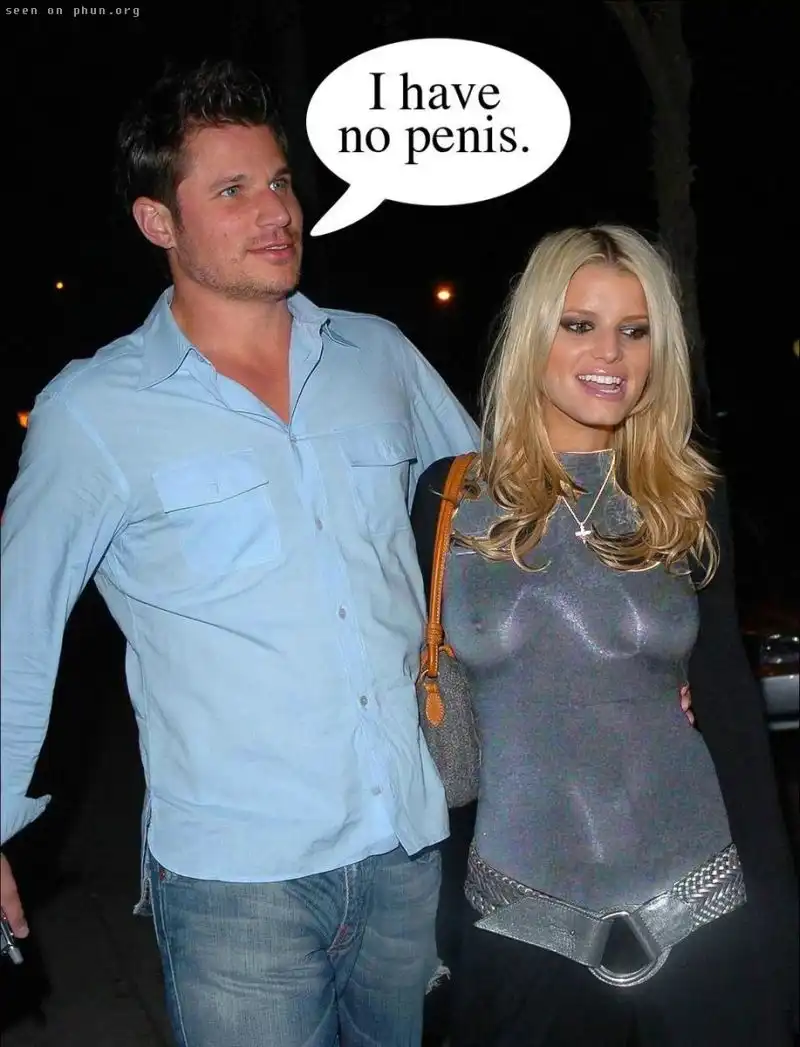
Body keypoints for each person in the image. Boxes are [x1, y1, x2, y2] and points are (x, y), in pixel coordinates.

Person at [0, 59, 479, 1046]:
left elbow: (491, 526)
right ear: (158, 222)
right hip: (237, 883)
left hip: (405, 844)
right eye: (231, 191)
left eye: (279, 182)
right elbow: (18, 629)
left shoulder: (379, 355)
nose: (276, 212)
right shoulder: (93, 413)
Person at [411, 225, 798, 1046]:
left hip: (704, 906)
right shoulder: (447, 501)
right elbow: (428, 716)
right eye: (579, 324)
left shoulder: (689, 497)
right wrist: (440, 925)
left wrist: (780, 925)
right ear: (534, 334)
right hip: (516, 918)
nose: (611, 353)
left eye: (635, 329)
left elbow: (733, 714)